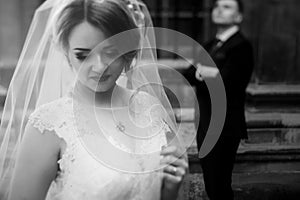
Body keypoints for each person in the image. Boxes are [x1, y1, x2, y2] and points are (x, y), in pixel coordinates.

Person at [0, 0, 188, 199]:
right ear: (65, 51)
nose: (99, 66)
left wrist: (169, 188)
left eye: (111, 53)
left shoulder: (148, 108)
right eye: (83, 55)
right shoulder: (50, 125)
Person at [183, 0, 254, 199]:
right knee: (211, 182)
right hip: (205, 122)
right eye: (217, 6)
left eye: (227, 6)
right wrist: (206, 74)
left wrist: (203, 73)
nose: (219, 9)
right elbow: (189, 73)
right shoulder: (210, 44)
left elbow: (226, 84)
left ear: (239, 16)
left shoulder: (241, 46)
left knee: (220, 185)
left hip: (225, 124)